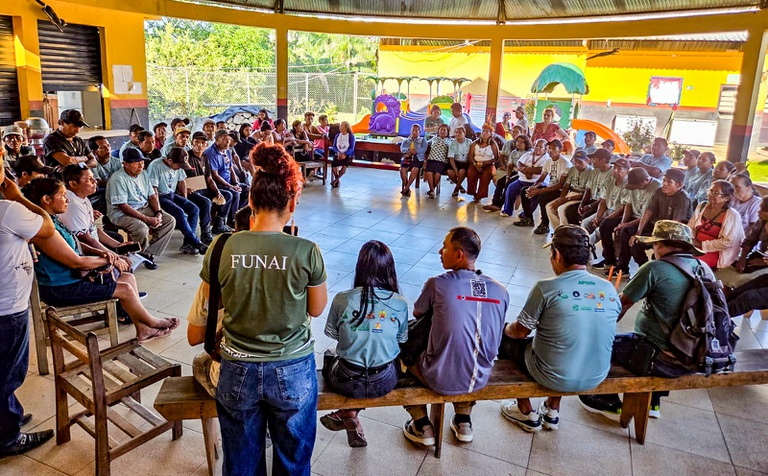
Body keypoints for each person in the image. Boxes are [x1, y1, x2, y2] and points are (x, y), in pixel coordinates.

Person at [201, 143, 327, 476]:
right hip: (293, 367)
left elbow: (218, 301)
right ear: (292, 204)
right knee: (293, 462)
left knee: (241, 462)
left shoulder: (221, 245)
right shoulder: (306, 250)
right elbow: (316, 309)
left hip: (236, 366)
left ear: (250, 201)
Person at [579, 220, 708, 420]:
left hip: (659, 358)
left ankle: (607, 400)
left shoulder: (655, 268)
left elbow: (621, 306)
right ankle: (653, 402)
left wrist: (598, 333)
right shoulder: (703, 268)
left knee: (599, 346)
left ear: (659, 244)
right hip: (695, 355)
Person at [23, 177, 179, 341]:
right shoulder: (44, 229)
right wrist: (110, 259)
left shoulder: (53, 220)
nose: (67, 199)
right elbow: (76, 262)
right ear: (46, 199)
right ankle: (153, 322)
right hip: (60, 289)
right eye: (62, 195)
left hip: (73, 279)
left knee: (128, 278)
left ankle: (143, 329)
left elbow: (77, 244)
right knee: (125, 289)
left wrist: (104, 253)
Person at [498, 225, 620, 432]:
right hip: (596, 374)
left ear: (556, 255)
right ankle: (552, 408)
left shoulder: (546, 287)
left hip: (553, 375)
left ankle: (525, 411)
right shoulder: (608, 288)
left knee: (505, 339)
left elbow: (519, 332)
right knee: (568, 338)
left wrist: (504, 328)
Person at [401, 227, 509, 446]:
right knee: (470, 347)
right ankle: (463, 420)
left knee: (400, 352)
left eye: (444, 247)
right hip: (480, 377)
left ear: (459, 255)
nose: (440, 251)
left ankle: (421, 424)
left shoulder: (438, 283)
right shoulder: (501, 290)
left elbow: (418, 313)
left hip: (439, 378)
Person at [320, 241, 408, 447]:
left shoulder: (342, 299)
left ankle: (349, 412)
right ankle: (349, 413)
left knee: (330, 356)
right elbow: (401, 339)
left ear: (360, 267)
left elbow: (335, 335)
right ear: (390, 270)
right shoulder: (400, 302)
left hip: (345, 380)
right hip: (385, 381)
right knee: (390, 359)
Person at [0, 160, 56, 458]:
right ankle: (7, 437)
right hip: (7, 308)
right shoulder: (8, 210)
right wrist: (18, 197)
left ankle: (8, 416)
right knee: (7, 372)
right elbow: (47, 227)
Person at [106, 148, 177, 269]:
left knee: (169, 221)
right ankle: (142, 255)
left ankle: (146, 253)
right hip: (121, 213)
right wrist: (147, 219)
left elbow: (152, 196)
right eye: (137, 162)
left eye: (142, 162)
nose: (141, 165)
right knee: (141, 228)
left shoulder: (143, 174)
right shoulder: (118, 178)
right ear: (126, 164)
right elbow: (123, 206)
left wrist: (158, 213)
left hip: (143, 207)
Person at [58, 164, 133, 262]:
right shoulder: (72, 205)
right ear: (73, 184)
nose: (95, 181)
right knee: (122, 260)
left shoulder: (82, 198)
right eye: (89, 179)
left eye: (93, 177)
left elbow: (93, 229)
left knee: (118, 240)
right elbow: (86, 240)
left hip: (90, 239)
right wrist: (115, 256)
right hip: (82, 250)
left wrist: (117, 245)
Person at [623, 168, 692, 272]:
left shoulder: (683, 198)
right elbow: (648, 212)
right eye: (664, 180)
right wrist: (638, 232)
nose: (664, 184)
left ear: (679, 184)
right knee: (635, 241)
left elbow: (675, 224)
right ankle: (644, 269)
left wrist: (657, 240)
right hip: (660, 229)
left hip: (674, 236)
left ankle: (654, 271)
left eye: (669, 182)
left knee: (659, 251)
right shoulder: (659, 191)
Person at [147, 148, 208, 254]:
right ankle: (196, 242)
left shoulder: (178, 166)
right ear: (170, 161)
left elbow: (182, 181)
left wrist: (185, 199)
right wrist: (157, 209)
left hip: (172, 194)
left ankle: (188, 243)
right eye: (179, 165)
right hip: (160, 197)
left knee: (194, 209)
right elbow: (153, 189)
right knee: (180, 213)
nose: (180, 167)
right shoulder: (155, 166)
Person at [518, 139, 572, 235]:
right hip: (550, 187)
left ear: (560, 150)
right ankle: (528, 219)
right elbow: (541, 179)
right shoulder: (548, 161)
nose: (550, 150)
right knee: (524, 190)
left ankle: (544, 224)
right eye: (549, 148)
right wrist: (533, 187)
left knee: (543, 196)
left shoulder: (565, 163)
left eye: (554, 148)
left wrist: (540, 191)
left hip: (561, 190)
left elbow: (560, 185)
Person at [689, 180, 745, 270]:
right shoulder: (702, 206)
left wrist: (701, 244)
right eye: (710, 191)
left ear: (726, 197)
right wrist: (691, 241)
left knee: (690, 264)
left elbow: (727, 242)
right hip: (695, 246)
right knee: (674, 256)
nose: (711, 194)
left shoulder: (732, 215)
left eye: (716, 193)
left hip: (716, 252)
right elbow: (690, 227)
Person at [205, 129, 249, 226]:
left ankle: (238, 215)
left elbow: (231, 169)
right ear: (217, 140)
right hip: (218, 184)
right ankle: (230, 221)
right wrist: (231, 186)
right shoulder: (210, 153)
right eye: (225, 139)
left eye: (229, 139)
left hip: (229, 182)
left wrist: (235, 183)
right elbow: (215, 175)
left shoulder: (227, 151)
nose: (228, 142)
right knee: (235, 193)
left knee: (248, 190)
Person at [501, 138, 548, 221]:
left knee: (533, 196)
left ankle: (525, 214)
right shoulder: (528, 154)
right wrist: (527, 173)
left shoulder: (547, 158)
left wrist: (527, 169)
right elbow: (519, 163)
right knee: (511, 188)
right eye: (536, 146)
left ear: (545, 149)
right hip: (522, 180)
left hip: (537, 182)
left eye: (541, 147)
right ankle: (507, 210)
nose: (537, 148)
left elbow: (541, 170)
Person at [545, 150, 592, 229]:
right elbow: (566, 186)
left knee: (561, 209)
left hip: (581, 196)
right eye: (575, 161)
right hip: (571, 193)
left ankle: (566, 232)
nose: (577, 164)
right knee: (550, 207)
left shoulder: (591, 172)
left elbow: (586, 193)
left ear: (587, 161)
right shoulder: (572, 169)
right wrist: (561, 198)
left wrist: (566, 199)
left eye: (580, 162)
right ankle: (558, 230)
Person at [484, 134, 530, 213]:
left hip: (524, 175)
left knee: (509, 184)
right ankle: (494, 203)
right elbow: (510, 166)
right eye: (517, 141)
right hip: (514, 172)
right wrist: (507, 177)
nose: (519, 143)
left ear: (526, 143)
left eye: (521, 142)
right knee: (501, 182)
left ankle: (499, 204)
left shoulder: (529, 153)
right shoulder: (514, 152)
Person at [466, 124, 500, 203]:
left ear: (490, 134)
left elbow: (496, 157)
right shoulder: (475, 143)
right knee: (470, 173)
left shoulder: (493, 144)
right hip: (475, 163)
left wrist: (486, 162)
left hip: (488, 164)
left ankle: (480, 195)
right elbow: (470, 156)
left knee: (485, 175)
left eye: (487, 132)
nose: (484, 133)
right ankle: (473, 193)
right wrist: (475, 164)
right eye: (483, 131)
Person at [734, 196, 768, 274]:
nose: (758, 211)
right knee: (735, 264)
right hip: (762, 254)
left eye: (763, 209)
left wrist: (763, 262)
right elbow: (749, 241)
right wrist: (742, 259)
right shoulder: (761, 221)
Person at [399, 124, 427, 197]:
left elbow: (424, 149)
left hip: (417, 159)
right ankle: (407, 189)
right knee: (402, 170)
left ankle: (406, 188)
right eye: (413, 130)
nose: (414, 132)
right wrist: (409, 150)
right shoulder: (406, 140)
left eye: (416, 131)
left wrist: (416, 151)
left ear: (419, 132)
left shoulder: (422, 140)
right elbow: (402, 149)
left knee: (415, 169)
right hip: (407, 158)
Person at [424, 124, 451, 198]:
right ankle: (432, 190)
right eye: (441, 130)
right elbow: (426, 143)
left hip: (442, 161)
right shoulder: (434, 138)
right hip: (431, 159)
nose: (442, 131)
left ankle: (431, 190)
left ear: (447, 132)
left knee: (437, 174)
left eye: (444, 130)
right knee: (429, 172)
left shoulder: (450, 141)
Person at [330, 121, 355, 188]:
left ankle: (336, 180)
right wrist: (338, 152)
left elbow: (351, 147)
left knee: (344, 164)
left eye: (341, 126)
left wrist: (345, 154)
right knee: (334, 164)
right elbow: (334, 146)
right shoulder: (337, 135)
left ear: (346, 128)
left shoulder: (351, 136)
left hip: (348, 155)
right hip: (338, 154)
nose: (340, 127)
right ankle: (337, 180)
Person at [447, 126, 471, 197]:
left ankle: (456, 188)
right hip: (455, 161)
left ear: (464, 133)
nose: (458, 134)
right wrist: (455, 170)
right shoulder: (452, 143)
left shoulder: (469, 142)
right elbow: (451, 158)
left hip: (465, 162)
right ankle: (460, 186)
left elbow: (471, 155)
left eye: (460, 132)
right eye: (456, 132)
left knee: (462, 172)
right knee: (450, 172)